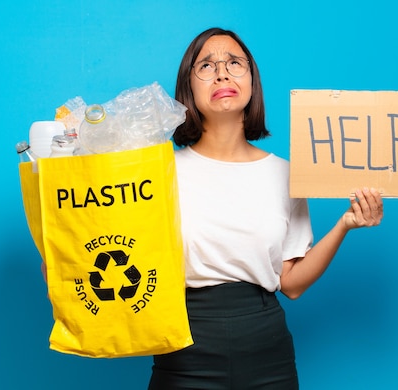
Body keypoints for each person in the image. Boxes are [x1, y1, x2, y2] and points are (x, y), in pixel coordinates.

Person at [147, 27, 384, 390]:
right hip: (184, 345)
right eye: (206, 65)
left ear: (252, 82)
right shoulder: (159, 172)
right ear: (188, 88)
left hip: (266, 349)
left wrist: (345, 224)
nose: (222, 73)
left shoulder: (288, 174)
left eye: (234, 63)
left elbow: (290, 284)